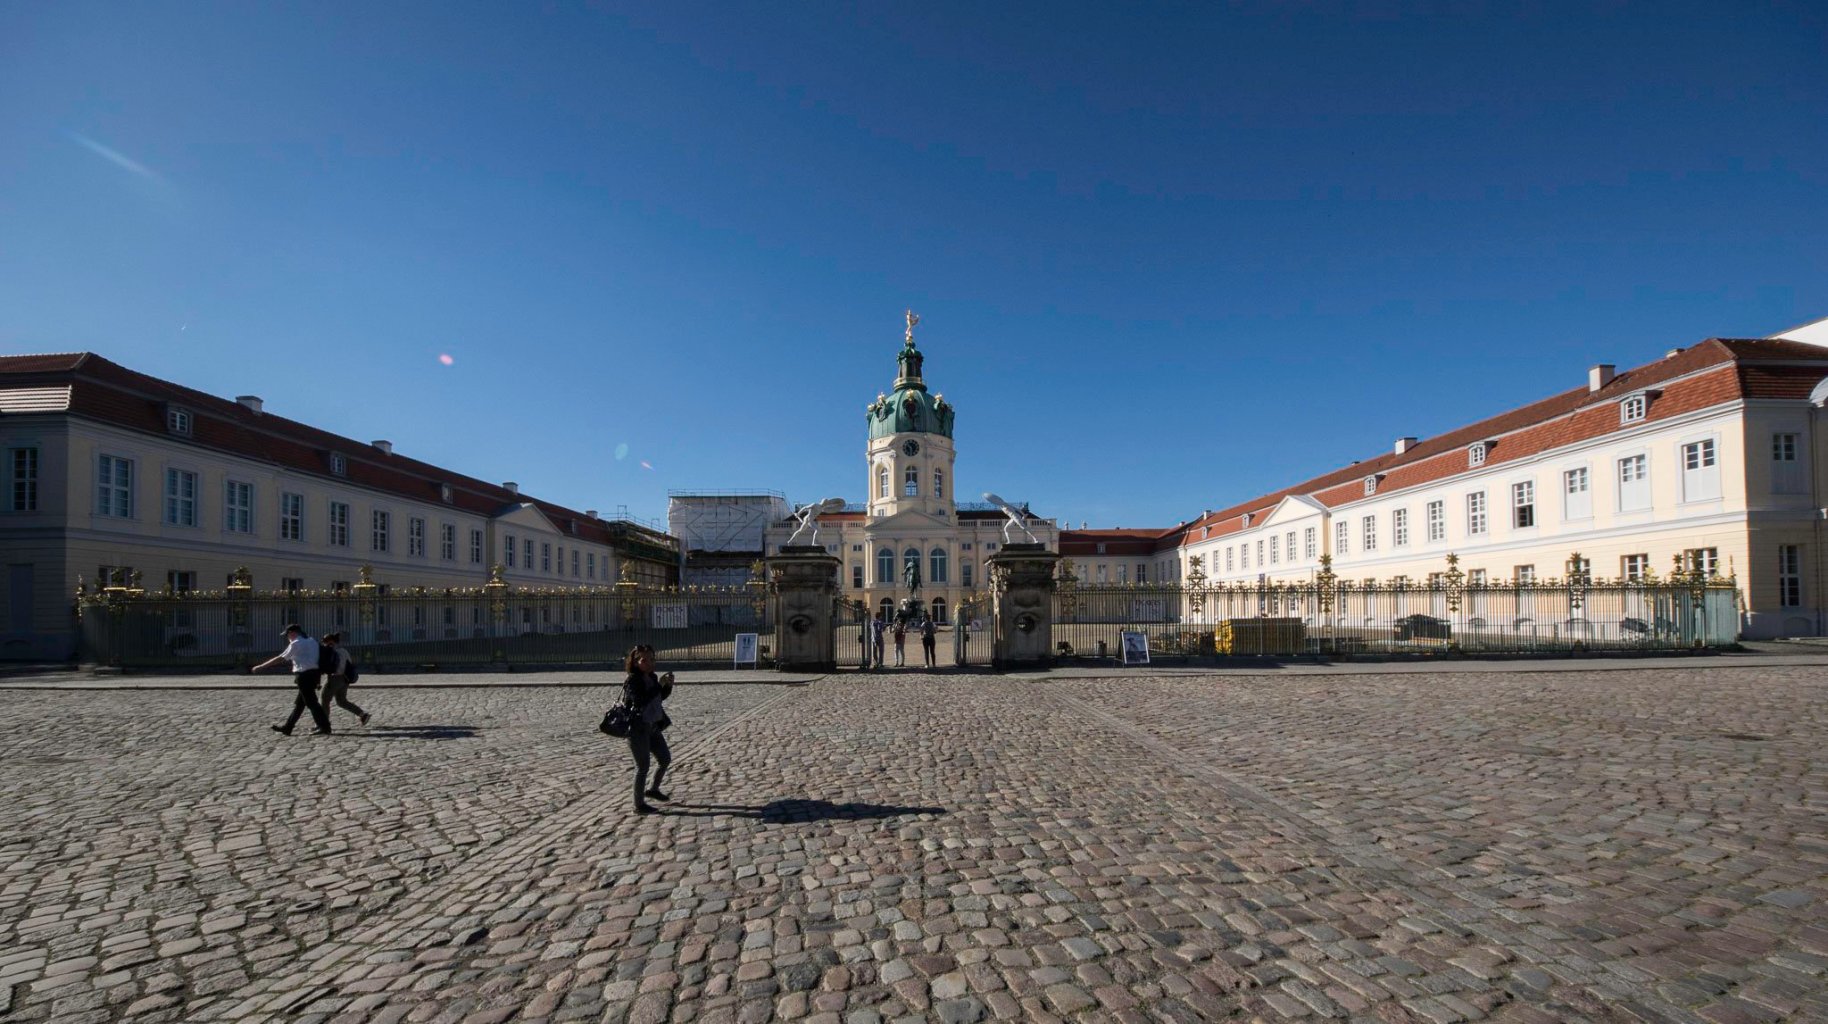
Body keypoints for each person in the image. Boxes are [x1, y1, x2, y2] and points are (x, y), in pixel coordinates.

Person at [621, 645, 674, 815]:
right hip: (637, 728)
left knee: (665, 758)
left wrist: (667, 686)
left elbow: (658, 698)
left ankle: (653, 789)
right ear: (635, 662)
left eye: (652, 659)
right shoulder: (632, 680)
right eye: (644, 660)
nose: (649, 663)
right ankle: (638, 805)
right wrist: (658, 687)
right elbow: (640, 701)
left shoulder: (652, 677)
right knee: (642, 766)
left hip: (652, 726)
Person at [251, 623, 332, 736]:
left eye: (287, 635)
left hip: (304, 675)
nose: (287, 638)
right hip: (314, 674)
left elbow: (280, 658)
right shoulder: (311, 640)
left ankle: (325, 727)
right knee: (300, 704)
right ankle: (288, 727)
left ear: (292, 633)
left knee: (312, 703)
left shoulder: (296, 643)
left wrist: (261, 666)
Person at [318, 632, 370, 726]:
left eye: (325, 642)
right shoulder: (344, 651)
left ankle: (323, 723)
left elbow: (334, 668)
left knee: (324, 699)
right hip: (345, 679)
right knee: (342, 701)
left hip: (335, 678)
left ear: (330, 642)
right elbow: (349, 663)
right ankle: (362, 714)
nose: (324, 644)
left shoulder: (333, 652)